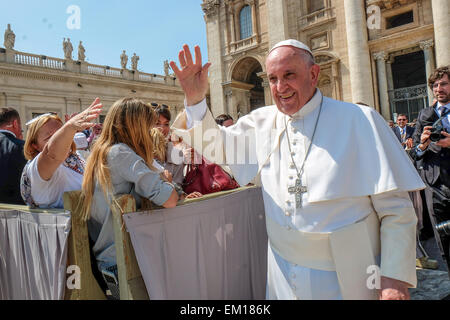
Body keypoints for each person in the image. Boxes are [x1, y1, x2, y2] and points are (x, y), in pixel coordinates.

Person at [169, 41, 425, 300]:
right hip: (283, 273)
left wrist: (394, 278)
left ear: (313, 74)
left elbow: (396, 210)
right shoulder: (261, 122)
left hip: (351, 275)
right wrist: (196, 99)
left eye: (289, 75)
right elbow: (217, 147)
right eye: (272, 79)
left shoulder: (359, 119)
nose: (280, 88)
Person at [80, 97, 180, 298]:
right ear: (136, 126)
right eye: (149, 125)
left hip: (113, 259)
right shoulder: (120, 153)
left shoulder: (105, 151)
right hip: (120, 262)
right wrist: (167, 182)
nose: (152, 131)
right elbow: (170, 198)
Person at [20, 99, 102, 208]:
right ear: (34, 145)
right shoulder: (35, 168)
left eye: (60, 132)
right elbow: (52, 155)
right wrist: (70, 127)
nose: (60, 139)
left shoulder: (76, 157)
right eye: (50, 137)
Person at [410, 66, 450, 272]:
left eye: (443, 83)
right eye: (435, 85)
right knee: (443, 239)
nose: (438, 89)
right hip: (435, 185)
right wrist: (423, 144)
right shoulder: (425, 113)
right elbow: (416, 152)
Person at [0, 107, 27, 204]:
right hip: (15, 210)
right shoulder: (23, 147)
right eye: (20, 126)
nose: (20, 131)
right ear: (15, 123)